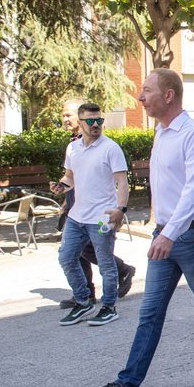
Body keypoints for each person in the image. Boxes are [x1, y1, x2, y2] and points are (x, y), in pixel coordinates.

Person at [77, 69, 194, 387]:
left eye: (146, 90)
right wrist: (153, 225)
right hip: (165, 235)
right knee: (149, 313)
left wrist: (170, 233)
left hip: (193, 236)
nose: (140, 97)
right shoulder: (161, 132)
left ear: (168, 95)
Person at [52, 103, 130, 327]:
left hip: (102, 217)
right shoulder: (73, 148)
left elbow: (122, 182)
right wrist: (60, 186)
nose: (95, 124)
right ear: (80, 122)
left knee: (106, 264)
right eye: (90, 121)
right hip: (77, 215)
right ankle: (83, 301)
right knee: (67, 257)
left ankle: (109, 307)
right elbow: (70, 177)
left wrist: (121, 209)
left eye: (99, 120)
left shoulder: (111, 148)